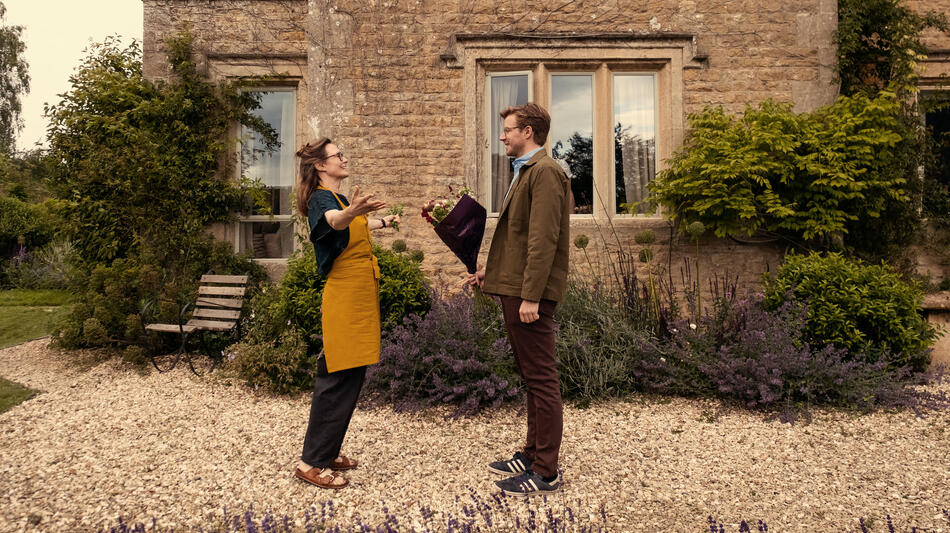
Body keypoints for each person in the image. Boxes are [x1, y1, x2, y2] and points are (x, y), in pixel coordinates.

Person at [468, 103, 571, 496]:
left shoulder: (545, 172)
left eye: (508, 130)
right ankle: (531, 453)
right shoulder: (528, 171)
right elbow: (519, 239)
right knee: (531, 376)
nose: (502, 136)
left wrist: (531, 296)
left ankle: (545, 472)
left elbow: (543, 241)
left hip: (530, 296)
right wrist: (488, 274)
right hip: (514, 289)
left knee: (542, 379)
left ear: (527, 131)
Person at [293, 138, 400, 489]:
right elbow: (335, 222)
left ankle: (328, 450)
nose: (343, 158)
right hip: (344, 291)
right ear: (321, 166)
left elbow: (351, 225)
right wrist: (352, 212)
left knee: (351, 372)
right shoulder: (323, 199)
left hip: (359, 290)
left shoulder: (339, 199)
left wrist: (383, 222)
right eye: (337, 155)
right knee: (337, 373)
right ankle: (311, 462)